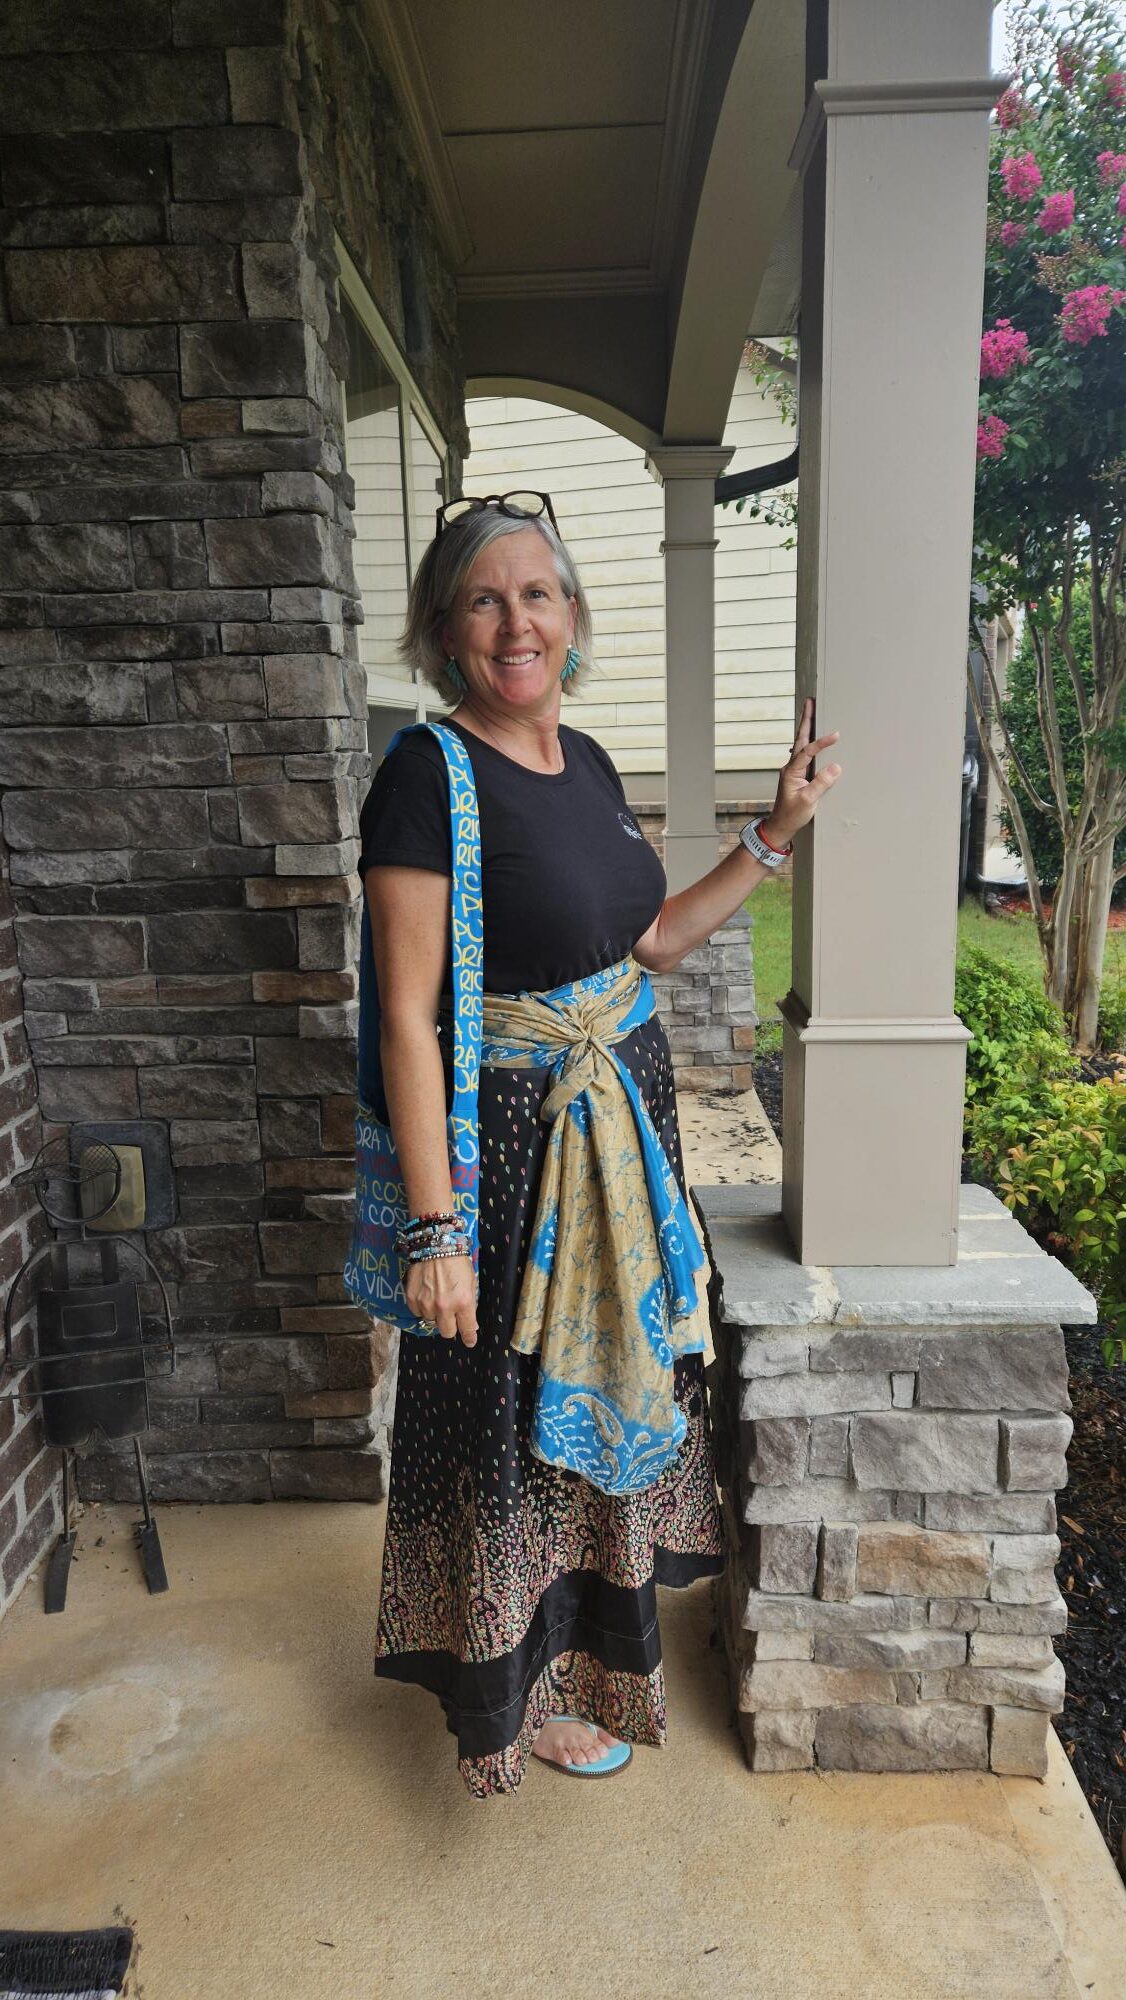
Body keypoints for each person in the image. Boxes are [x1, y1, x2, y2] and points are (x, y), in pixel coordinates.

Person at [357, 491, 842, 1797]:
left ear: (571, 618)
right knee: (511, 1427)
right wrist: (435, 1227)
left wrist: (775, 832)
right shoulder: (426, 776)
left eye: (537, 594)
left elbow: (654, 942)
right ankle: (513, 1691)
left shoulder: (584, 762)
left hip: (618, 1144)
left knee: (603, 1401)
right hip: (511, 1166)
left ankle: (586, 1661)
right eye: (483, 599)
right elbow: (406, 1018)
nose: (515, 622)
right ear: (445, 632)